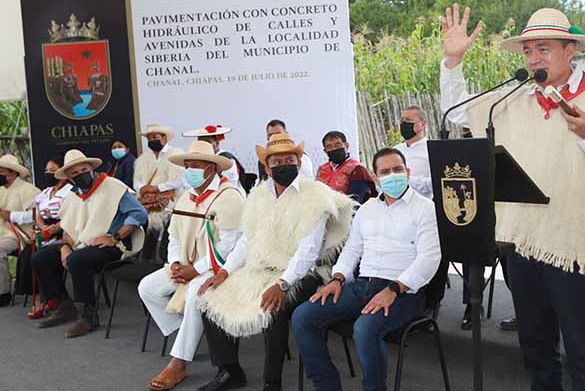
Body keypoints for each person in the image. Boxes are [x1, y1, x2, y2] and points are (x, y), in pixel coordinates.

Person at [440, 4, 585, 390]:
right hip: (522, 244)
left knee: (583, 354)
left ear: (570, 50)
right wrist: (453, 61)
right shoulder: (515, 99)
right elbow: (457, 113)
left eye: (543, 48)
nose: (534, 58)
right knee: (536, 350)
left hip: (573, 246)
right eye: (528, 51)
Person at [196, 132, 356, 391]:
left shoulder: (315, 196)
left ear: (299, 162)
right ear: (267, 167)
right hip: (260, 269)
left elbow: (308, 251)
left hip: (304, 273)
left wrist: (282, 284)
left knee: (274, 308)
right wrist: (224, 272)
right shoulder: (258, 195)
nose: (284, 165)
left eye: (289, 160)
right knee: (208, 299)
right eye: (277, 162)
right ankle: (230, 370)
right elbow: (247, 240)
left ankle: (273, 382)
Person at [292, 147, 442, 391]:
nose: (392, 175)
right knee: (303, 316)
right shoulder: (367, 209)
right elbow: (352, 250)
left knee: (364, 329)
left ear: (408, 172)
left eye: (397, 169)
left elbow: (430, 258)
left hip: (404, 292)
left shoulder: (426, 208)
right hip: (363, 286)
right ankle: (327, 385)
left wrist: (394, 289)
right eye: (385, 172)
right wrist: (337, 278)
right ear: (375, 177)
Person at [138, 141, 246, 391]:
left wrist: (196, 270)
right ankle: (187, 335)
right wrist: (176, 263)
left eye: (195, 165)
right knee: (147, 288)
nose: (189, 171)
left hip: (220, 268)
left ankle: (178, 363)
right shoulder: (186, 197)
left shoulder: (230, 197)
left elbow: (229, 245)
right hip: (187, 263)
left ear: (211, 168)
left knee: (197, 294)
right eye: (187, 166)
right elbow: (174, 236)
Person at [32, 149, 147, 337]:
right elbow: (68, 228)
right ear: (69, 177)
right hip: (81, 244)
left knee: (78, 260)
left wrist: (115, 237)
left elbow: (139, 214)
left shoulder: (112, 186)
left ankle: (88, 316)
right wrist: (65, 246)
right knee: (40, 258)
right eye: (75, 173)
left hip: (112, 246)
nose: (80, 174)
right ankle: (63, 306)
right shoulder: (73, 196)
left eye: (84, 170)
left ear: (91, 168)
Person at [9, 155, 73, 318]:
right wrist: (42, 228)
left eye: (52, 170)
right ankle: (39, 298)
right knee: (27, 254)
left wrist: (53, 229)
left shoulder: (70, 191)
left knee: (39, 256)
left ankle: (50, 298)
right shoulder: (46, 192)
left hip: (64, 233)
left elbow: (71, 216)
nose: (48, 173)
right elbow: (37, 213)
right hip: (45, 232)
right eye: (46, 170)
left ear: (62, 172)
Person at [134, 124, 185, 259]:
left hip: (170, 202)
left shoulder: (175, 155)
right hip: (148, 202)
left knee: (170, 237)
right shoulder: (143, 159)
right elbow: (137, 181)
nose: (152, 140)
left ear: (164, 138)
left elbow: (179, 180)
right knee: (147, 235)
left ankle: (167, 261)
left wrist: (157, 188)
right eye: (149, 138)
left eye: (155, 137)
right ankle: (146, 262)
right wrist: (142, 188)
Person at [0, 154, 41, 307]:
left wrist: (11, 215)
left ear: (12, 172)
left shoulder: (28, 190)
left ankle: (3, 293)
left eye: (2, 171)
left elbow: (37, 215)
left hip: (18, 235)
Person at [182, 125, 248, 196]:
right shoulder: (196, 160)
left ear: (217, 142)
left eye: (208, 142)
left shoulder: (226, 159)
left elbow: (230, 182)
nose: (205, 145)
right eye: (202, 143)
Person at [316, 130, 376, 203]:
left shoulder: (357, 169)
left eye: (337, 145)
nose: (334, 149)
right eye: (329, 146)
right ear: (325, 151)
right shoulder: (322, 170)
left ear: (346, 146)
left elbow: (356, 200)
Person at [393, 106, 433, 199]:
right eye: (402, 120)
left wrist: (406, 180)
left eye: (408, 120)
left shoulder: (431, 150)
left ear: (422, 124)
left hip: (421, 203)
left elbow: (434, 183)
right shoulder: (395, 150)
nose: (404, 123)